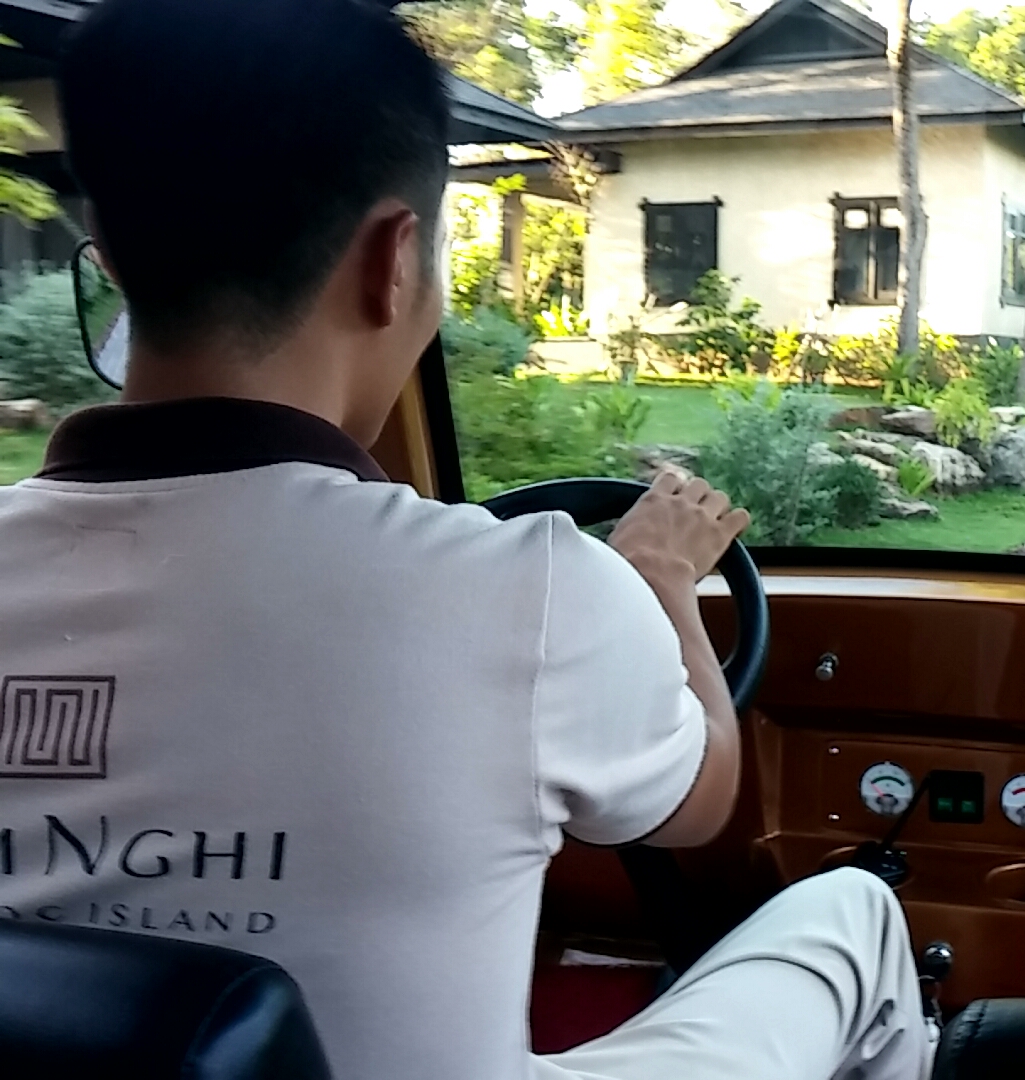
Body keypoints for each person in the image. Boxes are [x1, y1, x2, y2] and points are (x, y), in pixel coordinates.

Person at [0, 2, 933, 1078]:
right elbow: (698, 803)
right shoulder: (536, 591)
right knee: (857, 915)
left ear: (112, 259)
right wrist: (659, 582)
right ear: (394, 260)